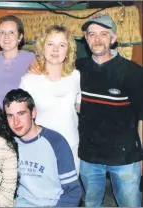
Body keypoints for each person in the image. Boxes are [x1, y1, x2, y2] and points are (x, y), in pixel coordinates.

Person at [77, 14, 143, 207]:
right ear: (86, 38)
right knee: (90, 204)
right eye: (92, 34)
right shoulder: (76, 68)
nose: (97, 39)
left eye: (103, 34)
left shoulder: (133, 72)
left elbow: (142, 118)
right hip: (89, 157)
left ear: (113, 38)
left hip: (125, 158)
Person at [3, 89, 82, 207]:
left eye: (21, 113)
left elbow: (73, 191)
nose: (16, 122)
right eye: (10, 116)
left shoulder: (56, 142)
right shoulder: (9, 144)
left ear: (33, 113)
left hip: (54, 204)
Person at [19, 25, 81, 173]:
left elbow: (81, 108)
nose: (55, 50)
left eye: (62, 45)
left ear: (68, 51)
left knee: (70, 194)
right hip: (40, 148)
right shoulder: (29, 80)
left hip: (70, 148)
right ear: (42, 48)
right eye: (50, 44)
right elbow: (21, 117)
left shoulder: (76, 77)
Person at [0, 15, 35, 108]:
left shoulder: (31, 59)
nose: (6, 37)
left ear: (20, 37)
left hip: (19, 117)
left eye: (11, 32)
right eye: (2, 32)